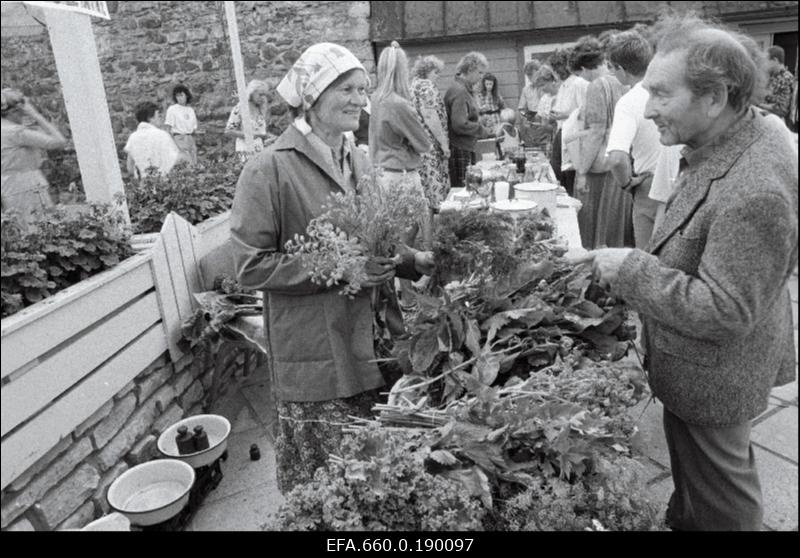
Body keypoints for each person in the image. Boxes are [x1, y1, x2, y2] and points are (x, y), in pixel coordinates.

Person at [576, 16, 797, 531]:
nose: (647, 108)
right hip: (696, 364)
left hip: (716, 374)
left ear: (715, 97)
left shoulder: (756, 188)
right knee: (697, 483)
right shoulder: (733, 137)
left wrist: (629, 267)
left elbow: (723, 309)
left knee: (723, 496)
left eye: (660, 93)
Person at [229, 42, 435, 494]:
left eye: (364, 89)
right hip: (316, 350)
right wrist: (341, 267)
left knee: (372, 483)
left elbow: (372, 243)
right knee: (327, 492)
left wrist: (410, 260)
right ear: (313, 95)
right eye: (347, 89)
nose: (361, 100)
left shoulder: (357, 158)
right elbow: (249, 265)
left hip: (370, 338)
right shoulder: (268, 169)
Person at [564, 35, 627, 250]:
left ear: (585, 68)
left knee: (593, 230)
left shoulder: (597, 86)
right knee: (616, 227)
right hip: (621, 162)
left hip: (600, 165)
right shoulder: (621, 82)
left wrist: (581, 170)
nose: (582, 79)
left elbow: (597, 131)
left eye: (579, 73)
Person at [605, 30, 663, 250]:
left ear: (621, 69)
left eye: (612, 68)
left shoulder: (629, 101)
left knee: (648, 261)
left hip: (650, 186)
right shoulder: (669, 89)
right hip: (684, 181)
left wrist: (626, 183)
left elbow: (617, 159)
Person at [1, 88, 67, 228]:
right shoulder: (15, 132)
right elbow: (58, 141)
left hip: (8, 186)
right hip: (27, 185)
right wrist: (36, 115)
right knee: (39, 229)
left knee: (21, 230)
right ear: (14, 112)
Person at [410, 54, 451, 230]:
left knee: (424, 191)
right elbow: (430, 115)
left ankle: (427, 234)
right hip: (430, 145)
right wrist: (444, 144)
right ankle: (440, 233)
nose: (438, 75)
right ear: (426, 71)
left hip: (418, 144)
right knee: (436, 192)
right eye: (436, 72)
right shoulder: (427, 86)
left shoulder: (413, 85)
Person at [444, 51, 489, 189]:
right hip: (460, 147)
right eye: (480, 73)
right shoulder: (460, 91)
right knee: (465, 190)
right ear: (470, 70)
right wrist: (481, 129)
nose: (481, 77)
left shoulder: (461, 88)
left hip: (463, 146)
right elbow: (459, 124)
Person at [548, 47, 589, 195]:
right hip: (562, 132)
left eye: (555, 68)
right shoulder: (563, 86)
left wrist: (563, 115)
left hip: (573, 136)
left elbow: (584, 111)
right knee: (559, 173)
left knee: (569, 174)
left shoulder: (579, 83)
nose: (554, 73)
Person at [124, 101, 181, 180]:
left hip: (143, 187)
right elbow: (175, 161)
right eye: (158, 115)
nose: (160, 118)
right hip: (164, 185)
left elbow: (130, 168)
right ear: (150, 118)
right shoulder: (162, 135)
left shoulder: (132, 138)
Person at [224, 79, 275, 162]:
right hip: (245, 149)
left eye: (265, 95)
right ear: (252, 93)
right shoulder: (240, 108)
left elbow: (260, 131)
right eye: (260, 94)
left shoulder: (261, 109)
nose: (263, 98)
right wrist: (249, 135)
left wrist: (268, 136)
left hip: (259, 149)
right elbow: (228, 131)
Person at [164, 84, 199, 165]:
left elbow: (194, 128)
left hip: (190, 139)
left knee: (194, 164)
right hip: (179, 139)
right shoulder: (172, 109)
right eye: (177, 96)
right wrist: (174, 144)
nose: (179, 98)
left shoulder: (190, 110)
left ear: (186, 95)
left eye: (181, 95)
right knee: (184, 164)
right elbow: (168, 129)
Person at [760, 45, 795, 125]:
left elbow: (781, 109)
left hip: (776, 124)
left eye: (766, 61)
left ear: (775, 60)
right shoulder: (771, 76)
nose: (764, 64)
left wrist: (759, 105)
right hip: (766, 121)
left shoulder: (786, 78)